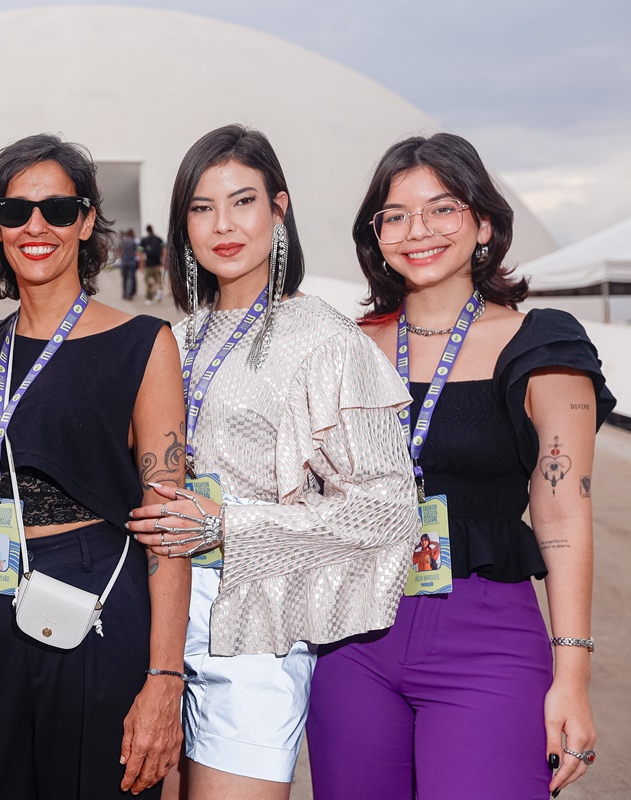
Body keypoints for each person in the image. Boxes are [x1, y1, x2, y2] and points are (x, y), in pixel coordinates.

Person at [305, 133, 615, 799]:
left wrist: (573, 679)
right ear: (376, 234)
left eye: (441, 209)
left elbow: (564, 515)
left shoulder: (543, 344)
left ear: (482, 223)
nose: (418, 230)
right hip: (353, 640)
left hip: (486, 640)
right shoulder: (345, 348)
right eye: (396, 215)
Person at [124, 124, 419, 800]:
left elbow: (385, 509)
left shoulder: (323, 338)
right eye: (201, 208)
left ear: (279, 210)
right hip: (150, 626)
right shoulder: (174, 336)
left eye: (243, 201)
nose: (223, 225)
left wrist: (233, 524)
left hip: (252, 636)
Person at [0, 133, 189, 800]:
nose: (35, 227)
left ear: (87, 219)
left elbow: (170, 525)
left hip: (94, 608)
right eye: (15, 212)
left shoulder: (143, 345)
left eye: (57, 209)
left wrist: (164, 680)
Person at [140, 224, 165, 304]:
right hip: (157, 263)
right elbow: (163, 251)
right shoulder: (159, 239)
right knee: (158, 280)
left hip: (148, 264)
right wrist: (163, 262)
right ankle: (159, 292)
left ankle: (148, 298)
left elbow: (141, 253)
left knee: (148, 281)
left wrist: (141, 265)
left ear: (147, 230)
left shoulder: (144, 240)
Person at [119, 227, 140, 299]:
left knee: (124, 278)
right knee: (130, 278)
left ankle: (124, 293)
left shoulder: (122, 241)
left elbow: (119, 251)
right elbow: (137, 252)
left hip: (124, 262)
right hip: (132, 262)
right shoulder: (133, 241)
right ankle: (129, 293)